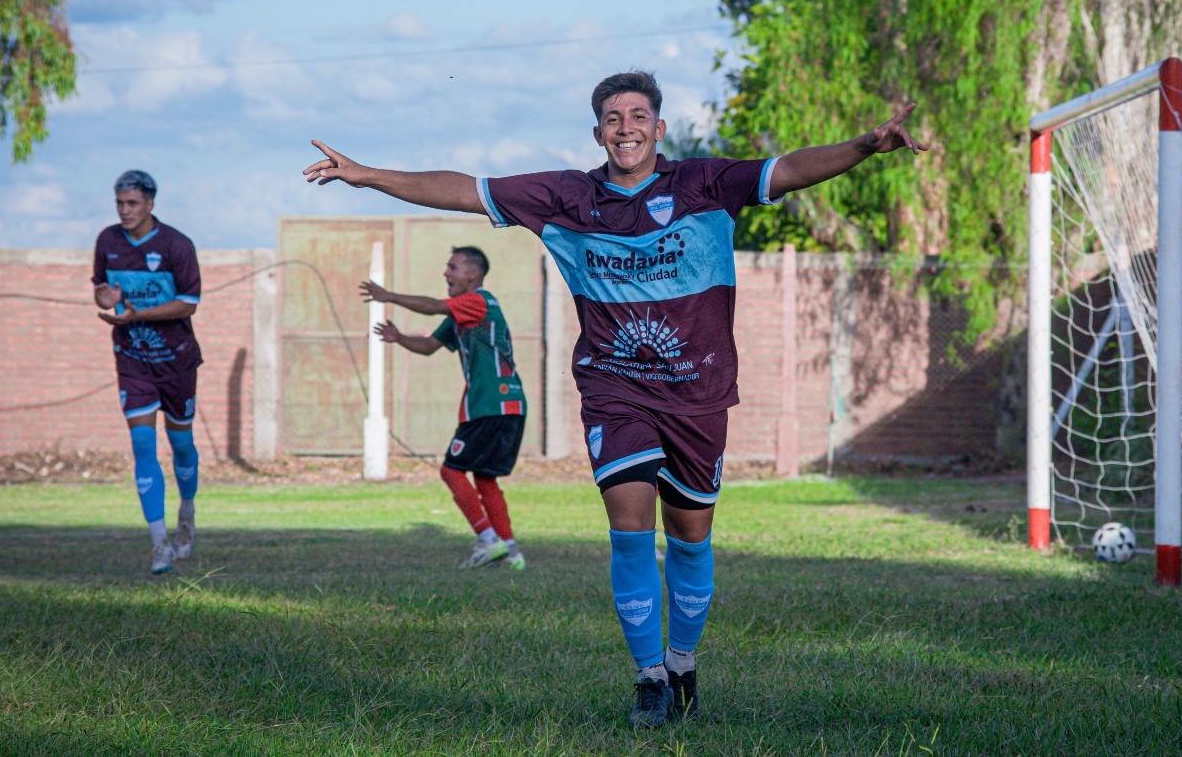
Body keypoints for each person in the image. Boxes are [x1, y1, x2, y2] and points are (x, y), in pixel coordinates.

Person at [303, 70, 925, 727]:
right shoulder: (566, 196)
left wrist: (864, 145)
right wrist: (367, 174)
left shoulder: (705, 184)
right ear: (597, 132)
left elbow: (789, 168)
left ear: (660, 128)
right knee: (630, 529)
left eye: (637, 116)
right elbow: (464, 187)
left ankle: (682, 660)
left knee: (689, 538)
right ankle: (649, 678)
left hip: (697, 393)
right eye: (612, 117)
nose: (625, 127)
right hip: (613, 387)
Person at [360, 246, 528, 570]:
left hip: (491, 404)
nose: (446, 273)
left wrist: (388, 296)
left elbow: (435, 307)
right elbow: (428, 346)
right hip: (509, 405)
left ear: (472, 274)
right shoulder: (462, 313)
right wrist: (399, 337)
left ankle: (488, 540)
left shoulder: (479, 301)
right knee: (486, 478)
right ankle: (511, 552)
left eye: (452, 267)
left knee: (451, 470)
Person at [92, 170, 204, 575]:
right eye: (120, 203)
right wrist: (105, 297)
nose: (124, 211)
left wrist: (142, 313)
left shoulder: (176, 245)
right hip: (132, 359)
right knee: (142, 446)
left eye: (132, 203)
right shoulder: (108, 241)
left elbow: (189, 303)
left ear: (150, 204)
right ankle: (159, 544)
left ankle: (187, 516)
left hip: (176, 362)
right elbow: (102, 290)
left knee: (182, 447)